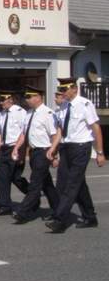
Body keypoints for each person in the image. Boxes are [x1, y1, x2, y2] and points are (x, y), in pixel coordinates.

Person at [46, 77, 105, 233]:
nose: (62, 93)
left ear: (74, 89)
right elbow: (60, 129)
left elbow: (96, 128)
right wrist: (53, 147)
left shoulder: (85, 104)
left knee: (71, 184)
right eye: (61, 90)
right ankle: (90, 217)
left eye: (64, 90)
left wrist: (100, 152)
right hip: (66, 148)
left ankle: (60, 220)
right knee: (73, 184)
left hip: (81, 148)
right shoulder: (64, 106)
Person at [12, 86, 60, 223]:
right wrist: (17, 148)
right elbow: (24, 134)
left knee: (35, 183)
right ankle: (59, 210)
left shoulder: (48, 114)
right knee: (46, 184)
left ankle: (23, 212)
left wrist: (55, 155)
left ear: (38, 97)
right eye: (26, 97)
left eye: (29, 97)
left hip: (44, 152)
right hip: (34, 152)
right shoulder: (29, 113)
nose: (27, 100)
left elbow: (54, 136)